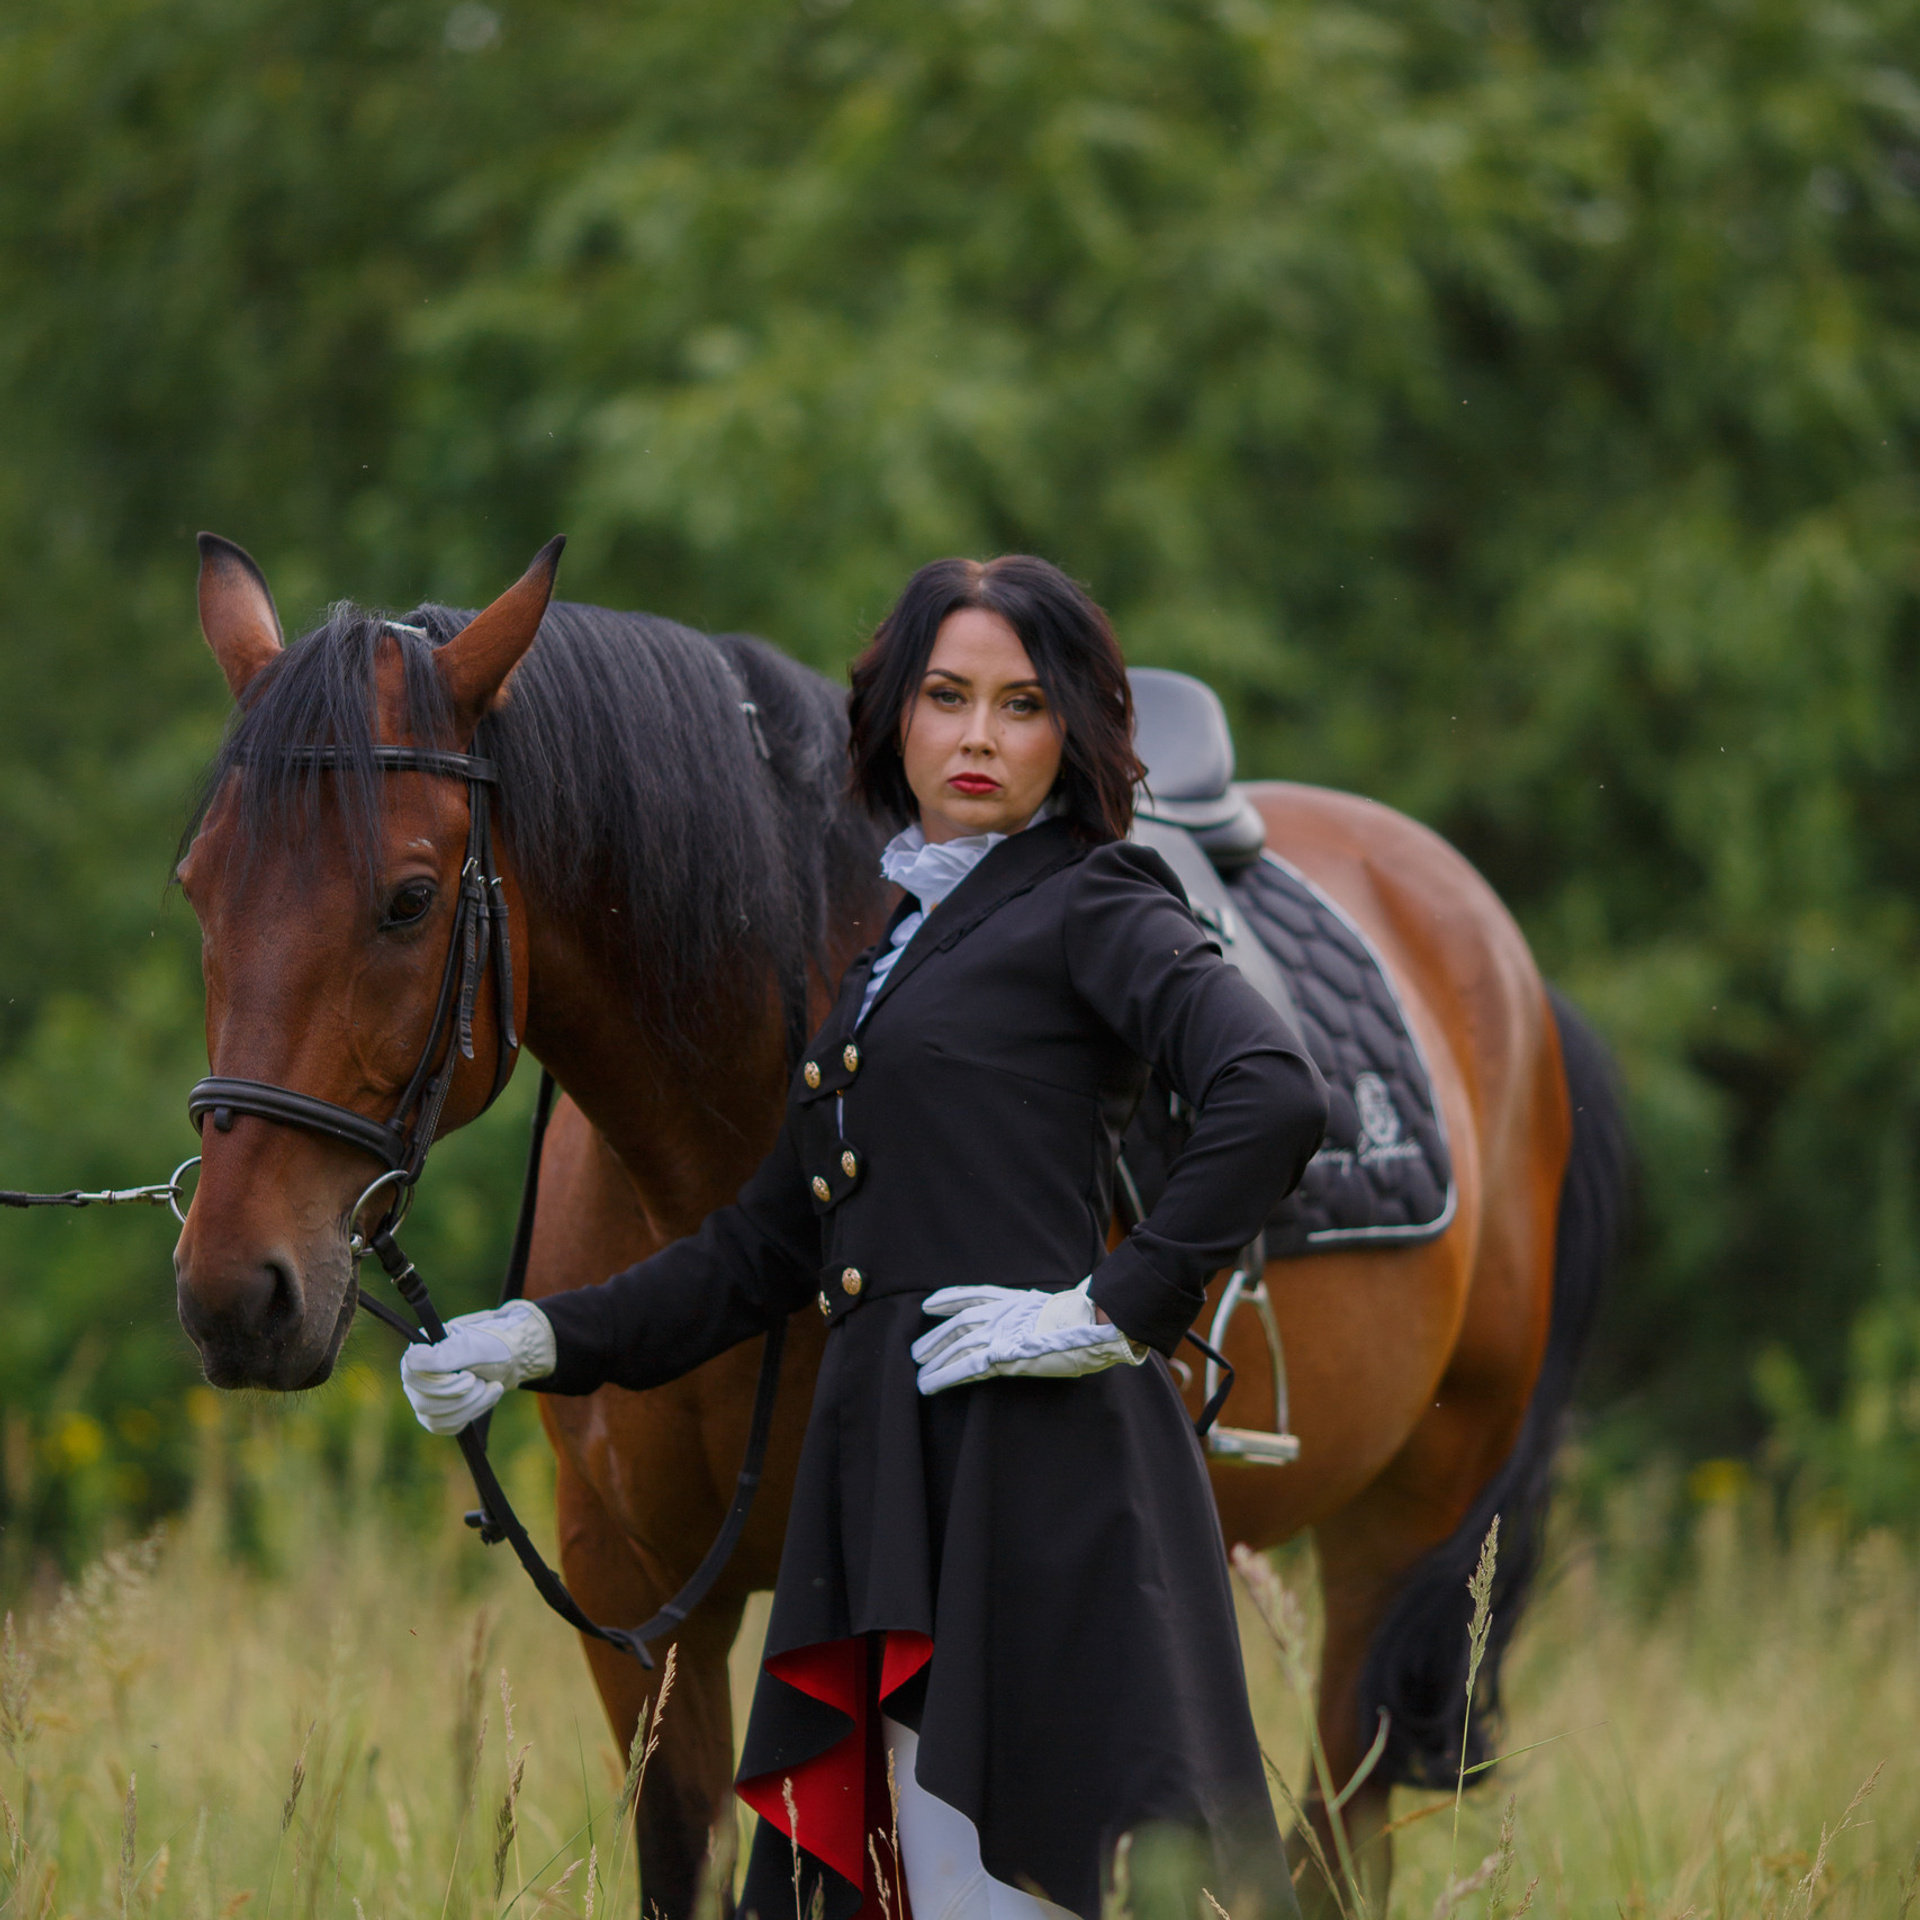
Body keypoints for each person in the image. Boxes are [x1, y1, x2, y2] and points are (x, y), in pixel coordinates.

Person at [400, 556, 1329, 1920]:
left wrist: (1113, 1306)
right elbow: (766, 1248)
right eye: (946, 697)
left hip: (1041, 1488)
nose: (975, 737)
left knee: (1004, 1891)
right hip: (890, 1492)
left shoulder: (1096, 899)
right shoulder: (906, 937)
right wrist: (537, 1337)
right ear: (896, 717)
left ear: (1069, 734)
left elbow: (1273, 1090)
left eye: (1020, 706)